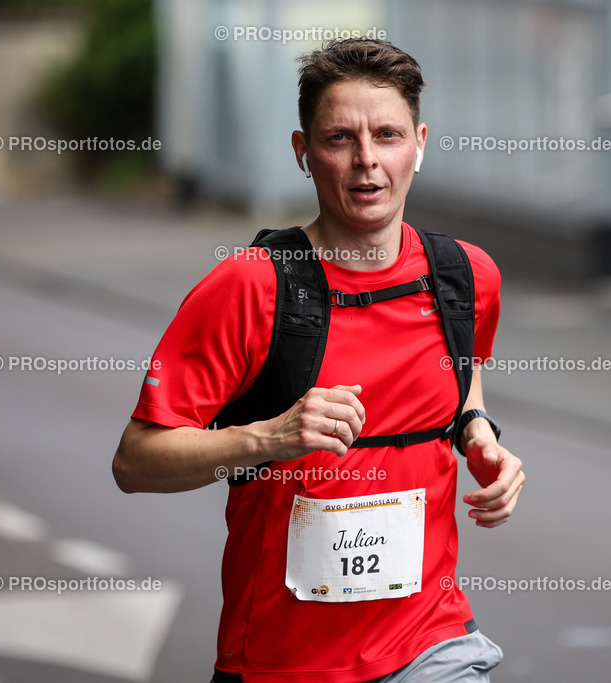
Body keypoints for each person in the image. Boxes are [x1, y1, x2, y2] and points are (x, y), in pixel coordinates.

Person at [112, 38, 525, 682]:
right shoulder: (251, 287)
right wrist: (268, 437)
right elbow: (135, 462)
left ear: (419, 143)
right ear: (303, 153)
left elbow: (463, 375)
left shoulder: (467, 277)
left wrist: (477, 433)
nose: (367, 162)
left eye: (386, 135)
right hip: (282, 660)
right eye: (339, 139)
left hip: (428, 642)